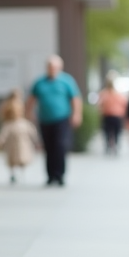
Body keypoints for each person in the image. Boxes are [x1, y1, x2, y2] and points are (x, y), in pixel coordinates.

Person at [28, 55, 82, 186]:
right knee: (48, 147)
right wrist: (29, 113)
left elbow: (75, 99)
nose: (52, 69)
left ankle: (60, 175)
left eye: (55, 67)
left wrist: (77, 114)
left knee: (60, 146)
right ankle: (50, 175)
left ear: (60, 68)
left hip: (61, 119)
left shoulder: (67, 81)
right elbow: (31, 99)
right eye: (50, 67)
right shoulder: (39, 82)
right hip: (45, 119)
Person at [0, 91, 40, 184]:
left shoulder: (22, 123)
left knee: (21, 158)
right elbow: (3, 135)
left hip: (22, 144)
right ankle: (14, 174)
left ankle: (20, 173)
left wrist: (36, 140)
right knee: (13, 159)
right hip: (13, 145)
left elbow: (32, 131)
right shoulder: (9, 124)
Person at [97, 75, 128, 156]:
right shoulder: (117, 94)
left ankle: (110, 146)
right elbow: (124, 104)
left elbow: (100, 105)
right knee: (114, 132)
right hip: (115, 115)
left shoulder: (104, 93)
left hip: (109, 115)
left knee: (109, 132)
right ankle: (113, 145)